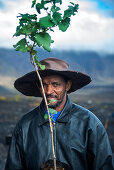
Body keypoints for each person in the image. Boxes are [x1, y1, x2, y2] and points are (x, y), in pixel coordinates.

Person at [5, 58, 114, 170]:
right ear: (39, 87)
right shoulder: (25, 125)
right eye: (44, 85)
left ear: (67, 86)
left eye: (55, 84)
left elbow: (103, 166)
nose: (48, 91)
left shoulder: (89, 123)